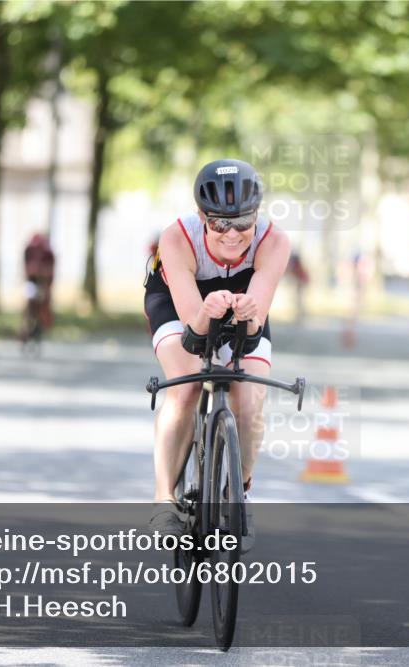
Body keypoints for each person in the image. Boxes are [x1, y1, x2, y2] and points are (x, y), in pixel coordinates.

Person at [144, 159, 290, 549]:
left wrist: (248, 317)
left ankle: (237, 495)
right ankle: (164, 499)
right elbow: (193, 330)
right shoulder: (176, 238)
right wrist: (206, 312)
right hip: (178, 304)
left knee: (250, 397)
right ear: (201, 217)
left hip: (244, 301)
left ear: (257, 215)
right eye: (219, 223)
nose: (231, 234)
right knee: (186, 386)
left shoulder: (274, 242)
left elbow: (254, 330)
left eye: (242, 222)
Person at [22, 233, 55, 340]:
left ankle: (34, 325)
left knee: (37, 305)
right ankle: (27, 326)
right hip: (35, 282)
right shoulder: (43, 251)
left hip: (40, 283)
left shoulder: (43, 253)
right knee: (31, 305)